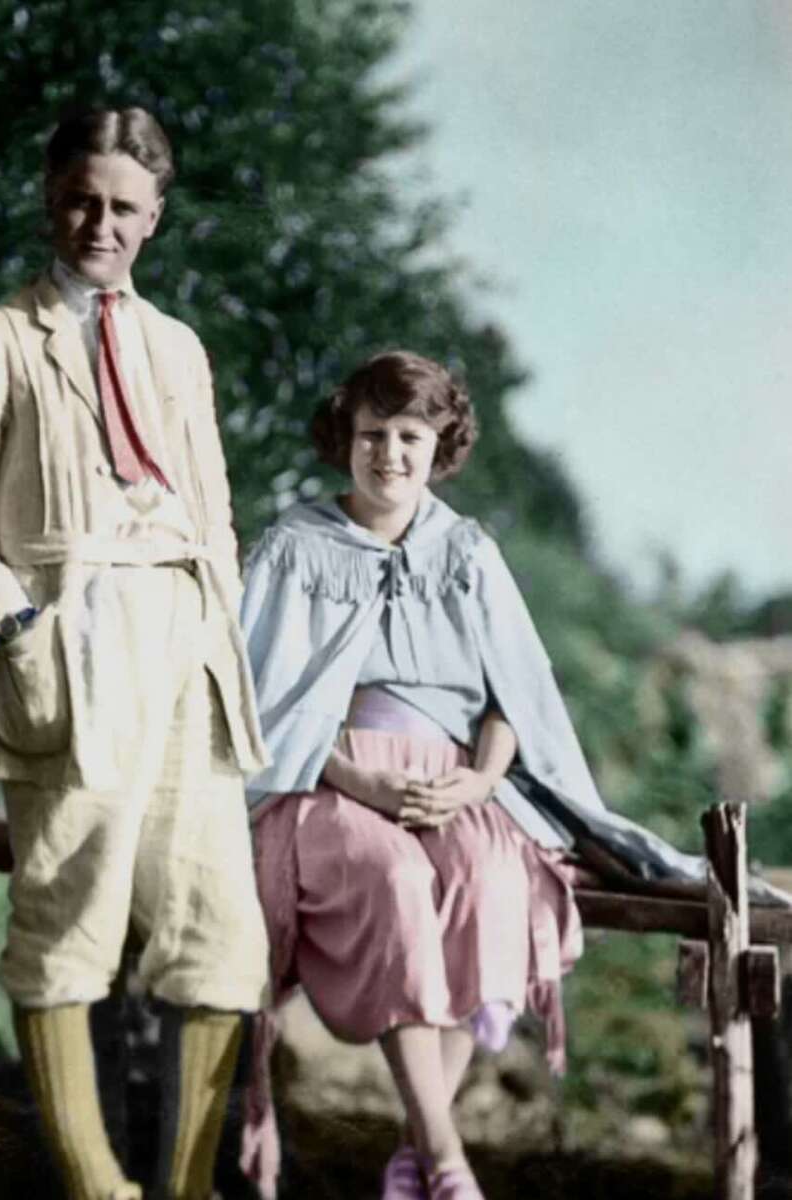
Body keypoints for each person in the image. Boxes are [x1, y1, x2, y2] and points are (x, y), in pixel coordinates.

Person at [236, 349, 728, 1200]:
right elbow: (260, 703)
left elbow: (516, 697)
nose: (389, 454)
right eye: (371, 434)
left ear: (440, 445)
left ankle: (413, 1149)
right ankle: (446, 1158)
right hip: (331, 777)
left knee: (495, 880)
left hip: (461, 780)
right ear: (343, 440)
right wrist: (360, 782)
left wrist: (479, 779)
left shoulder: (466, 551)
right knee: (390, 882)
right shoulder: (295, 547)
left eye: (409, 436)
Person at [0, 108, 269, 1200]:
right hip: (74, 642)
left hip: (187, 654)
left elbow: (216, 514)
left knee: (218, 933)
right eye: (80, 199)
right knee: (70, 915)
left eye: (122, 208)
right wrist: (15, 626)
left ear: (153, 220)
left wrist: (218, 625)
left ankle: (188, 1185)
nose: (97, 224)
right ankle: (95, 1185)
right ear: (49, 198)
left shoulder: (177, 348)